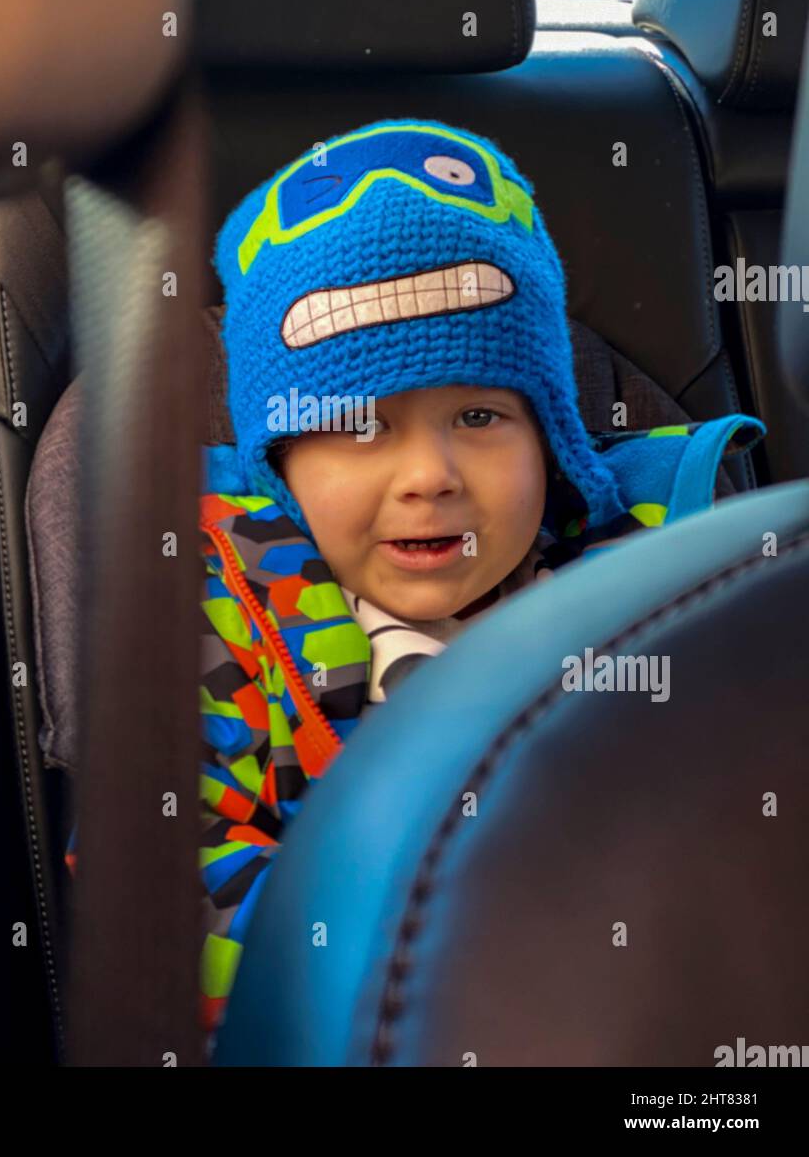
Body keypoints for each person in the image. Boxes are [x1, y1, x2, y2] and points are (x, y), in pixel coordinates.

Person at [69, 116, 765, 1050]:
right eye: (361, 427)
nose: (429, 475)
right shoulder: (224, 606)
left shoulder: (651, 575)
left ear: (552, 440)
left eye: (479, 415)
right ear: (280, 465)